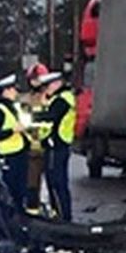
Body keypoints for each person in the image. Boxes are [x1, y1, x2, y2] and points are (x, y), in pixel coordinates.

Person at [0, 73, 32, 210]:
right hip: (9, 155)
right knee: (12, 189)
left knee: (21, 189)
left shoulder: (14, 107)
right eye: (13, 89)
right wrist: (13, 130)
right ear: (5, 91)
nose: (16, 92)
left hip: (21, 152)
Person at [38, 75, 77, 222]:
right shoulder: (62, 98)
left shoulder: (61, 100)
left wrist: (32, 117)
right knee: (58, 183)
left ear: (57, 83)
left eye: (48, 86)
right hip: (58, 145)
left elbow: (50, 117)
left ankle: (61, 217)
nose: (46, 89)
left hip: (56, 146)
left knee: (56, 183)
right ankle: (62, 215)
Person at [23, 63, 56, 213]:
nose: (36, 82)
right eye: (33, 79)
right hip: (31, 148)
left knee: (53, 183)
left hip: (49, 147)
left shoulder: (51, 98)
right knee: (32, 184)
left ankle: (54, 214)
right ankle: (33, 213)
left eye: (39, 79)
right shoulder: (24, 100)